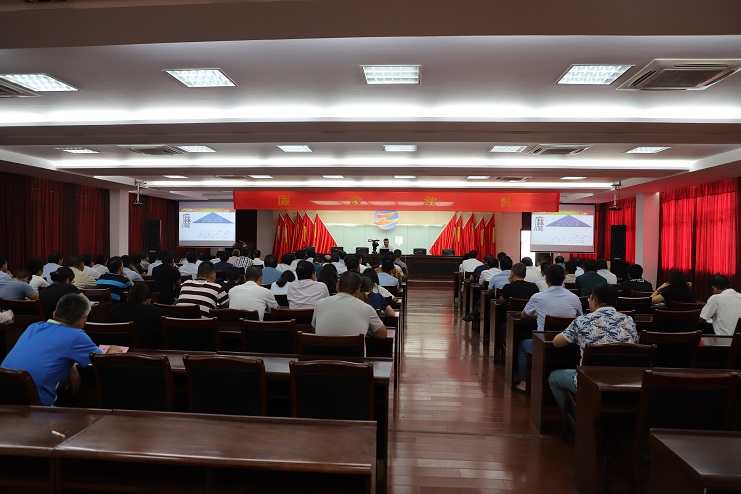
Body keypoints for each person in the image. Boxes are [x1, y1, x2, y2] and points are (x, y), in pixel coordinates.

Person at [2, 293, 122, 406]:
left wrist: (69, 365)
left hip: (5, 397)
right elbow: (104, 363)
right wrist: (113, 350)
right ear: (83, 321)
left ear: (54, 314)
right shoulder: (76, 336)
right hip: (35, 407)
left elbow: (47, 353)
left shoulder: (34, 327)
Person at [547, 284, 637, 411]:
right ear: (615, 302)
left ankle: (574, 417)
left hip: (590, 382)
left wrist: (577, 338)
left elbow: (557, 342)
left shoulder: (582, 321)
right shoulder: (629, 321)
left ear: (593, 302)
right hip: (624, 382)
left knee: (553, 378)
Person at [516, 264, 583, 392]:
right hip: (570, 346)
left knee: (522, 345)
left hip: (544, 345)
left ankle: (524, 382)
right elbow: (580, 318)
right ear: (564, 278)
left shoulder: (538, 297)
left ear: (546, 280)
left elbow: (524, 316)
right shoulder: (574, 298)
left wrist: (537, 314)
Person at [312, 271, 388, 340]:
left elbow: (314, 328)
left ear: (337, 286)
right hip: (354, 350)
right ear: (358, 291)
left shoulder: (319, 304)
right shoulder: (366, 308)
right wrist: (367, 330)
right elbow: (382, 334)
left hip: (323, 350)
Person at [108, 283, 167, 348]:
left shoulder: (113, 310)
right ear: (148, 300)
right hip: (143, 351)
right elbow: (170, 323)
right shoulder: (153, 311)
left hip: (116, 350)